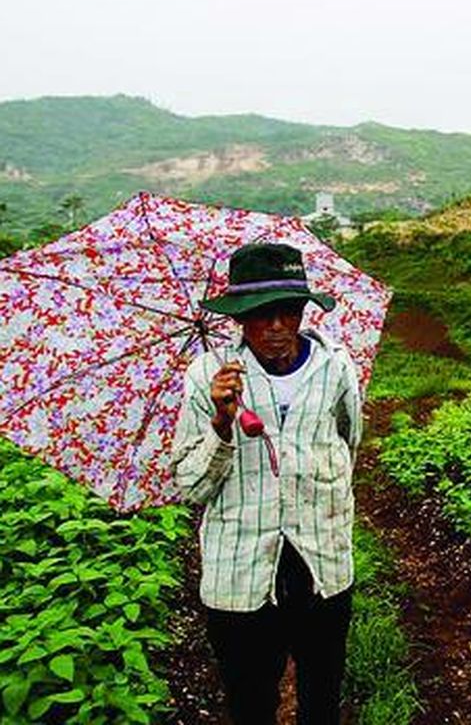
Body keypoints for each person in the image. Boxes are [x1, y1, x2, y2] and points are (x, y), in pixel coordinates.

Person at [170, 242, 362, 725]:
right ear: (239, 317)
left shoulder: (335, 368)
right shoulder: (207, 379)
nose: (276, 326)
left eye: (288, 311)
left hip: (322, 561)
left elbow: (348, 444)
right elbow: (191, 488)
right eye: (261, 314)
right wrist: (220, 422)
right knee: (250, 699)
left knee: (322, 693)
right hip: (240, 570)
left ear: (302, 311)